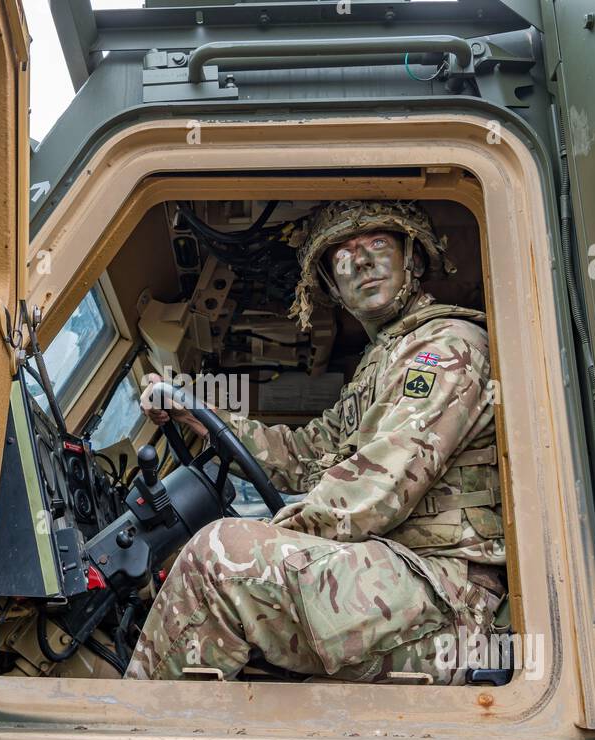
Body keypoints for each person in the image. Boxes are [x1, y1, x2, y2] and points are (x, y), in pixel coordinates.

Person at [124, 200, 506, 683]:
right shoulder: (380, 362)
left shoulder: (445, 347)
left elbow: (378, 489)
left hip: (445, 597)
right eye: (342, 255)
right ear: (330, 284)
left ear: (412, 257)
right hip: (399, 579)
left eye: (377, 244)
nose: (361, 261)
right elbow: (304, 455)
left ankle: (137, 738)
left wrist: (274, 533)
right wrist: (198, 416)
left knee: (220, 557)